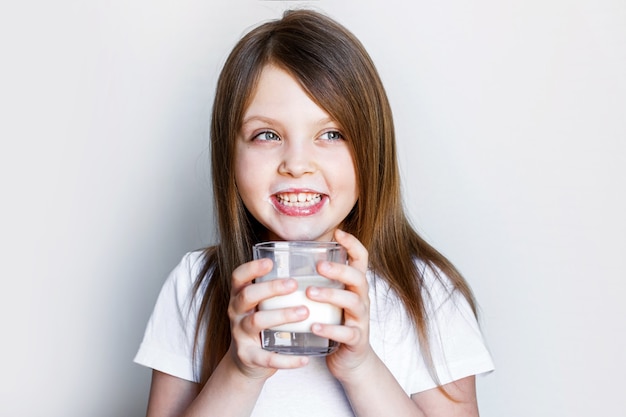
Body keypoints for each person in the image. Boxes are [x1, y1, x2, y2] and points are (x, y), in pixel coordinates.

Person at [134, 8, 494, 417]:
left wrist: (361, 368)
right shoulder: (195, 286)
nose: (297, 163)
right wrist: (239, 370)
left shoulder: (427, 294)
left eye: (331, 134)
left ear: (371, 149)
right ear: (229, 154)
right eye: (267, 135)